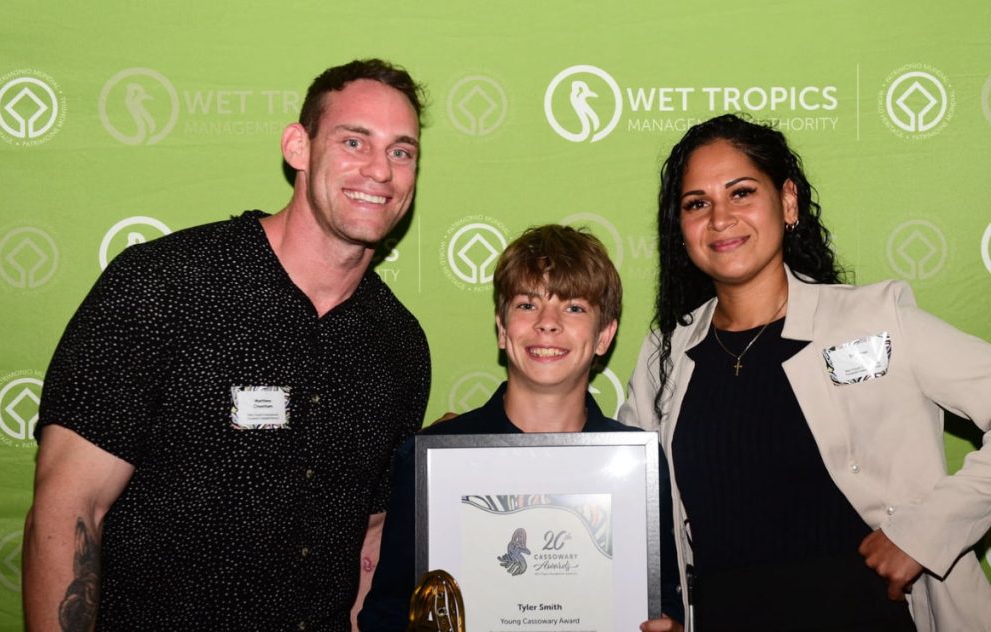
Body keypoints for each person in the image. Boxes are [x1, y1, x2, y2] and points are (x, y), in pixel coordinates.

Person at [23, 59, 431, 631]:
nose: (380, 171)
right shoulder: (163, 286)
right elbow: (69, 508)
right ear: (298, 146)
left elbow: (369, 541)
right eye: (354, 141)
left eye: (401, 151)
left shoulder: (400, 345)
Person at [619, 113, 991, 631]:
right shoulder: (666, 353)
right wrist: (479, 439)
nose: (720, 218)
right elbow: (627, 497)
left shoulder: (874, 317)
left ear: (788, 201)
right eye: (697, 203)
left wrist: (925, 532)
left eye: (742, 193)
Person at [358, 225, 684, 632]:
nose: (547, 323)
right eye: (527, 305)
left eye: (574, 307)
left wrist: (670, 626)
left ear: (605, 335)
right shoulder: (431, 462)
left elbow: (662, 597)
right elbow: (387, 612)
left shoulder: (639, 465)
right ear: (501, 328)